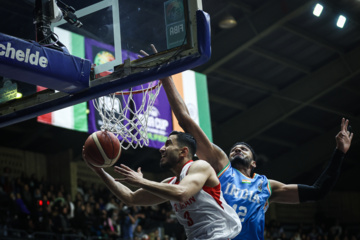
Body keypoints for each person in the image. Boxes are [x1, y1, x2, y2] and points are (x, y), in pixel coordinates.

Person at [146, 44, 354, 240]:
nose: (237, 149)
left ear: (254, 163)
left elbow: (318, 191)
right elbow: (186, 121)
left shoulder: (266, 186)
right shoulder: (221, 167)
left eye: (244, 149)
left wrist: (339, 153)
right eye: (234, 148)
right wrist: (165, 76)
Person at [83, 131, 241, 240]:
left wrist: (141, 181)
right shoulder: (170, 183)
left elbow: (182, 193)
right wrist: (99, 171)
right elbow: (130, 198)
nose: (161, 149)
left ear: (183, 151)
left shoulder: (201, 166)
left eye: (168, 144)